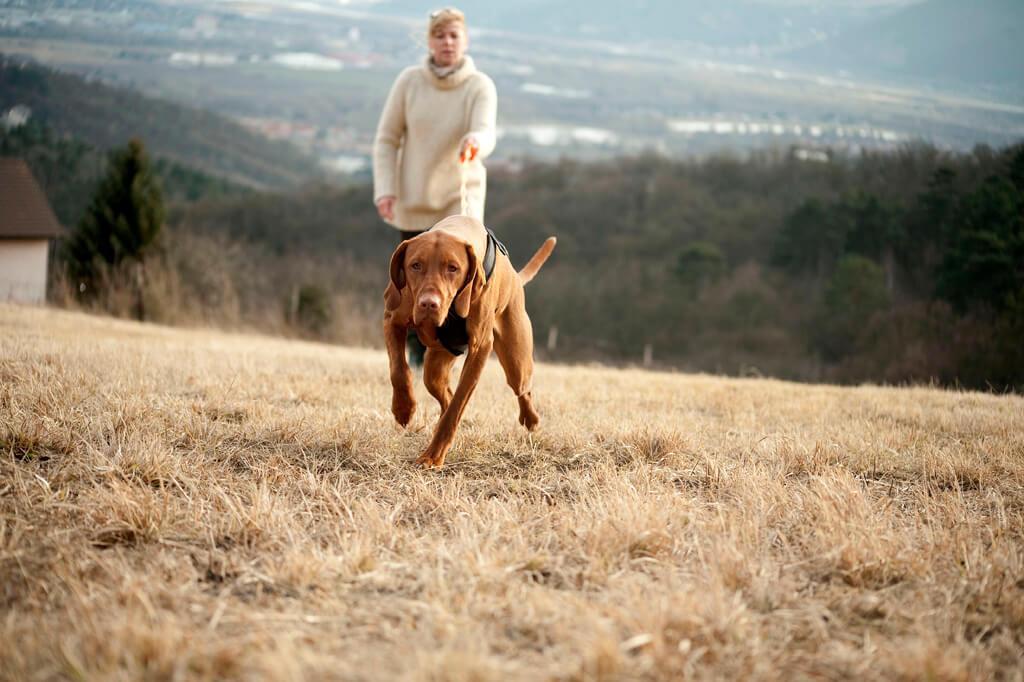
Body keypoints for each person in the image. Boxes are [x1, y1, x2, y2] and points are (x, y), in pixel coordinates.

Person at [372, 7, 497, 366]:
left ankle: (446, 358)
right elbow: (386, 139)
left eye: (454, 36)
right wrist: (385, 189)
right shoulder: (409, 82)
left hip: (458, 205)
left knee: (457, 289)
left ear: (465, 40)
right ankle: (414, 357)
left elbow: (486, 132)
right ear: (429, 41)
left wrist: (475, 140)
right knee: (412, 290)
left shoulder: (479, 86)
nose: (447, 42)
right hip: (415, 201)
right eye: (440, 36)